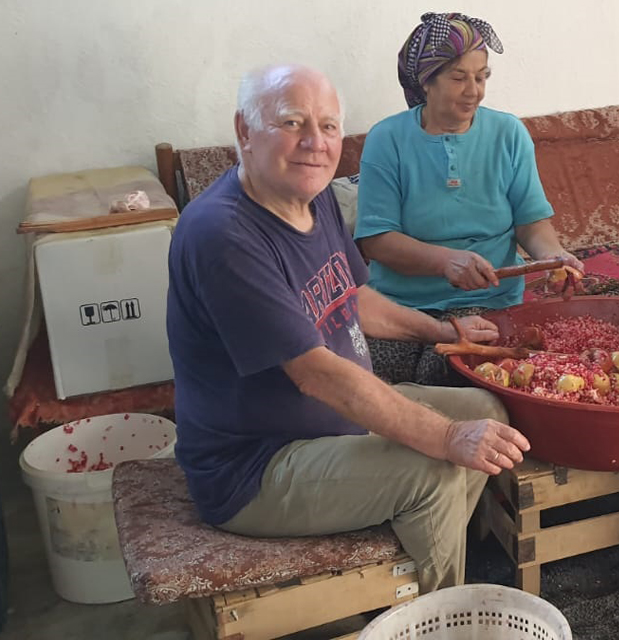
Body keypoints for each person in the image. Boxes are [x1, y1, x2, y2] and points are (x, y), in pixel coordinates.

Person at [167, 64, 530, 594]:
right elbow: (317, 374)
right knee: (437, 467)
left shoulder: (313, 196)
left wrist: (442, 331)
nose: (315, 143)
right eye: (292, 123)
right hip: (259, 465)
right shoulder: (223, 235)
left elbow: (353, 299)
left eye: (329, 126)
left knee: (486, 410)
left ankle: (417, 554)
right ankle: (441, 608)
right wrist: (448, 438)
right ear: (245, 130)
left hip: (333, 426)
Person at [355, 12, 583, 384]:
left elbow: (530, 222)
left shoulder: (508, 133)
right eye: (459, 77)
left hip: (487, 300)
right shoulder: (387, 139)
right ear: (426, 80)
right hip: (399, 304)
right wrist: (446, 262)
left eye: (482, 76)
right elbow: (376, 240)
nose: (474, 91)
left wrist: (553, 258)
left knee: (448, 374)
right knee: (369, 378)